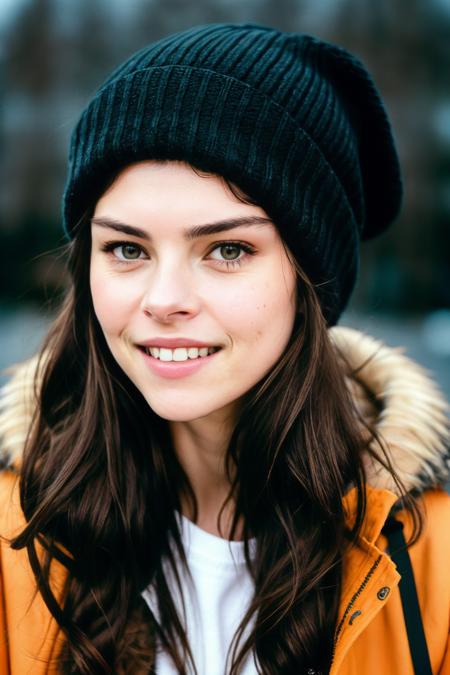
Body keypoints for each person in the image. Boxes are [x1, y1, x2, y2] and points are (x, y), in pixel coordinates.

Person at [0, 22, 449, 675]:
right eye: (127, 249)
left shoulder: (427, 551)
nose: (165, 298)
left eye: (227, 250)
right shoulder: (16, 529)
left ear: (309, 279)